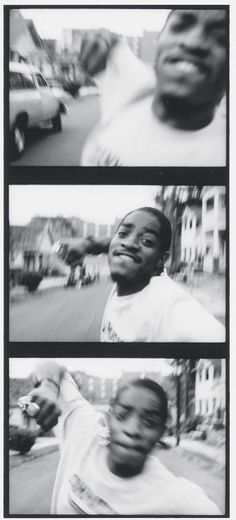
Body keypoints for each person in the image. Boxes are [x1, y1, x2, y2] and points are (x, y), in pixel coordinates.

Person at [22, 361, 221, 515]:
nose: (133, 430)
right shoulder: (83, 429)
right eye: (123, 416)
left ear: (162, 431)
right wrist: (48, 386)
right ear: (109, 418)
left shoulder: (177, 498)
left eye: (150, 422)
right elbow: (51, 367)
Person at [79, 9, 227, 167]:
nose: (193, 42)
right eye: (180, 26)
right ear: (159, 39)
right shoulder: (134, 89)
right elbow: (112, 41)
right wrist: (102, 37)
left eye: (222, 38)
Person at [55, 206, 225, 342]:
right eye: (123, 233)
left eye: (147, 241)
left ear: (160, 260)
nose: (128, 243)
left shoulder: (168, 307)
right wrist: (87, 245)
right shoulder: (132, 274)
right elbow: (114, 242)